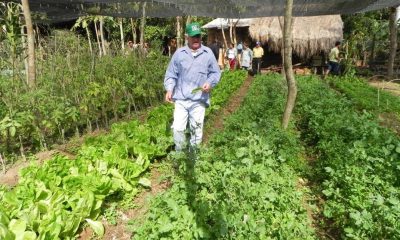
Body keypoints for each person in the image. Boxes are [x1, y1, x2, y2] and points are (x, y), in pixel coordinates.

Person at [164, 22, 221, 152]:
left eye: (198, 36)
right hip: (181, 99)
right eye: (193, 36)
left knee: (196, 131)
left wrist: (210, 83)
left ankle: (193, 158)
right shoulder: (179, 54)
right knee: (178, 129)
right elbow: (171, 74)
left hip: (198, 100)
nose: (196, 39)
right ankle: (180, 155)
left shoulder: (208, 53)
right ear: (187, 37)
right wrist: (169, 89)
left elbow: (215, 73)